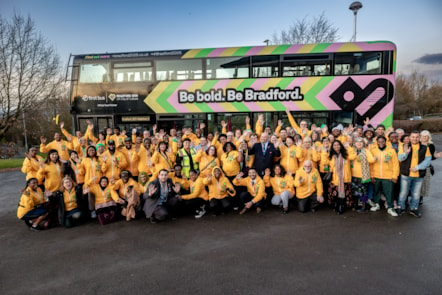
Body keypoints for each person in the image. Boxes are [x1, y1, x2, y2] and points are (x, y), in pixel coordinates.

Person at [397, 131, 432, 217]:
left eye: (416, 137)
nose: (415, 139)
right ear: (409, 137)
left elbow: (428, 160)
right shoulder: (404, 146)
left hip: (418, 175)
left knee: (416, 194)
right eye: (413, 137)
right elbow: (400, 158)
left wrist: (417, 168)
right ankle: (401, 207)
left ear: (419, 137)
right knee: (403, 192)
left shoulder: (425, 147)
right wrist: (406, 153)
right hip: (406, 174)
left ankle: (414, 209)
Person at [370, 136, 399, 217]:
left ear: (386, 142)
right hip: (376, 175)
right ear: (377, 142)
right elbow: (371, 165)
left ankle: (390, 207)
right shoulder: (373, 151)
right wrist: (372, 175)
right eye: (379, 141)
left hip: (388, 176)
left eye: (383, 141)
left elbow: (395, 165)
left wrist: (394, 176)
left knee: (389, 193)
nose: (381, 142)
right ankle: (376, 204)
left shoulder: (391, 151)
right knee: (376, 191)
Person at [328, 140, 356, 214]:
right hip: (335, 178)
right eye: (334, 145)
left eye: (338, 145)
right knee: (336, 194)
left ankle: (341, 206)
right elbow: (329, 164)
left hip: (344, 177)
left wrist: (349, 147)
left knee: (343, 193)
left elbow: (353, 156)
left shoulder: (345, 155)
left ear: (341, 146)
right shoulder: (331, 156)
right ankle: (337, 204)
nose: (336, 147)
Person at [351, 137, 376, 212]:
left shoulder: (366, 151)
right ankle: (355, 205)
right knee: (354, 192)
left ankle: (363, 207)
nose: (359, 143)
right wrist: (356, 155)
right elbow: (349, 157)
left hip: (363, 176)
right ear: (355, 143)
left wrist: (363, 158)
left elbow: (372, 160)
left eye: (361, 142)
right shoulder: (352, 150)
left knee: (363, 192)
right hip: (353, 175)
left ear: (363, 143)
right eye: (357, 142)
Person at [419, 130, 442, 205]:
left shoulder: (431, 145)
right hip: (416, 166)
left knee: (424, 183)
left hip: (426, 167)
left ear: (428, 137)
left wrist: (437, 156)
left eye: (426, 136)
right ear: (420, 137)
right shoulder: (417, 144)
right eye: (423, 136)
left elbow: (432, 157)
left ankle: (420, 197)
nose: (424, 138)